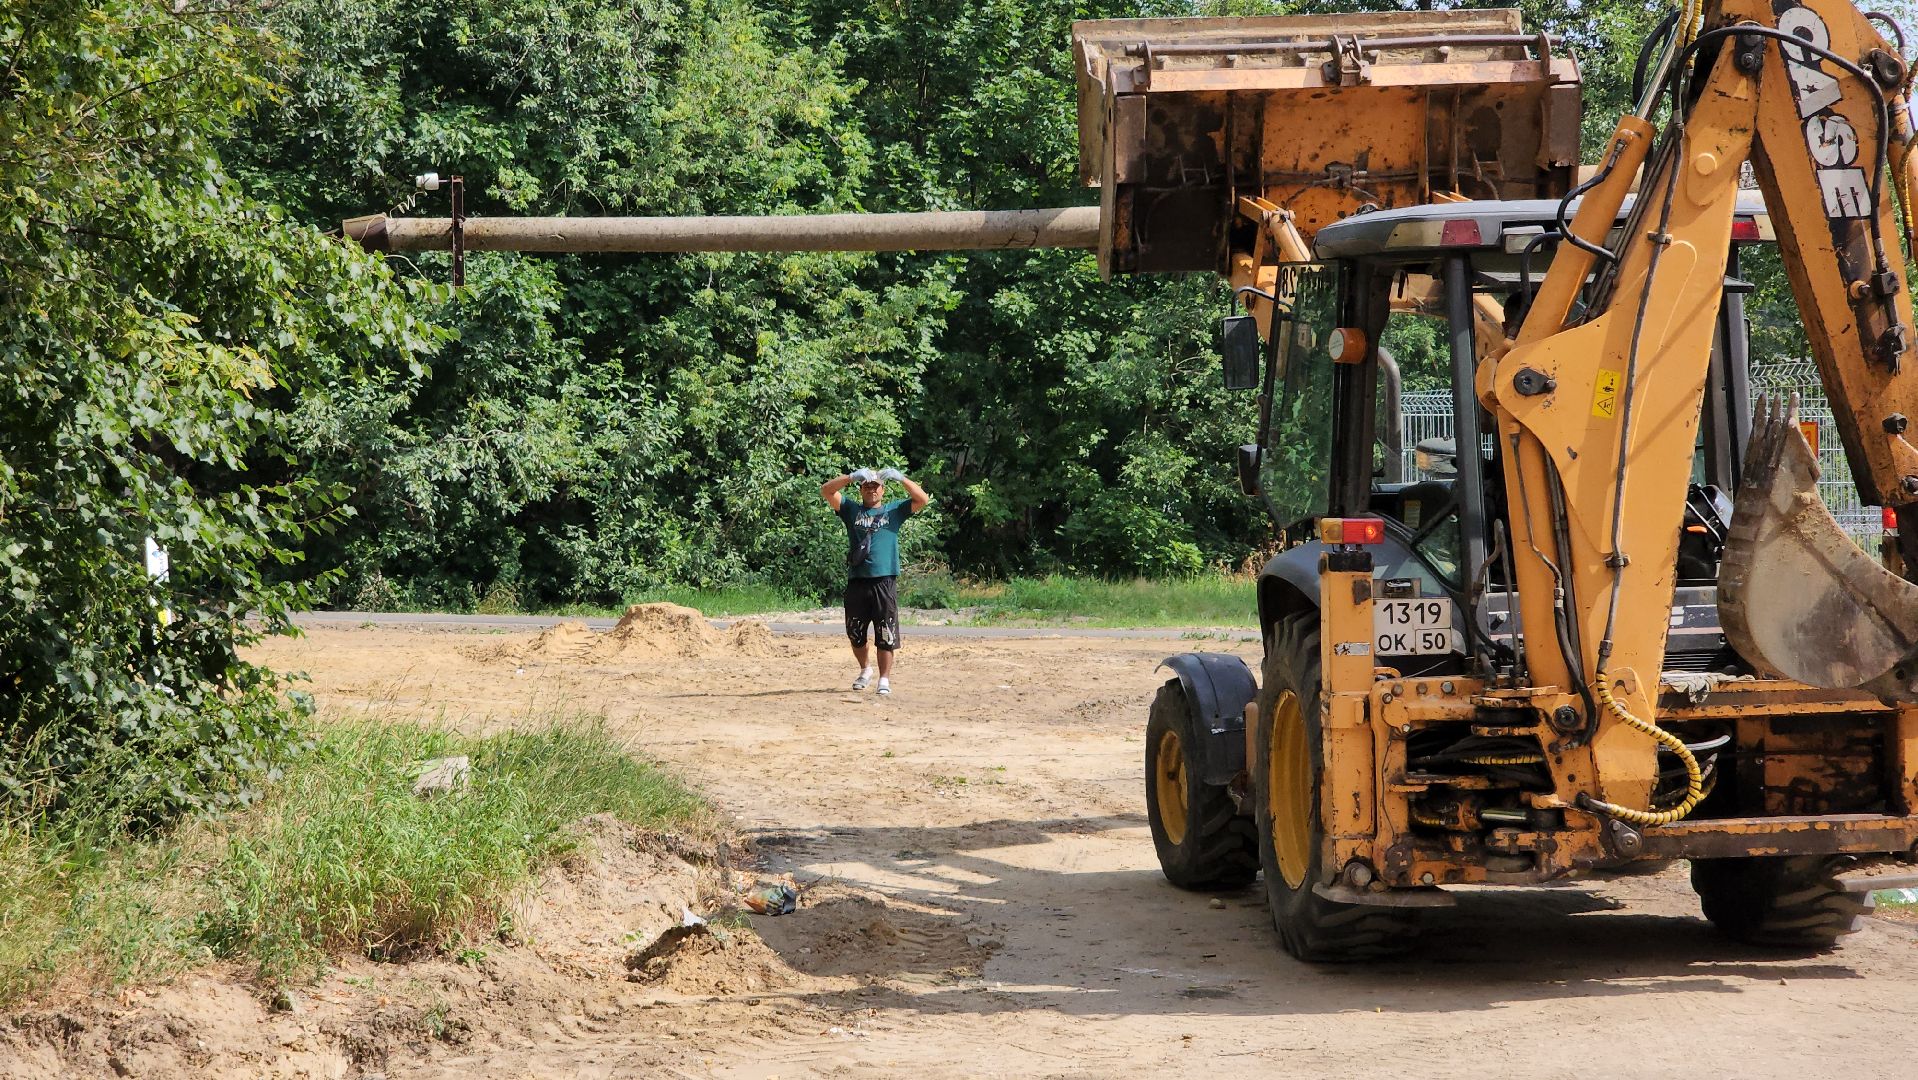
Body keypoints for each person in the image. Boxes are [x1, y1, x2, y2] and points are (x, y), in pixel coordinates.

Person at [821, 467, 931, 695]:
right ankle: (865, 669)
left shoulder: (894, 511)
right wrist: (851, 477)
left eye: (876, 486)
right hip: (858, 581)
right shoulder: (851, 510)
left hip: (884, 580)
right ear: (861, 489)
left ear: (883, 490)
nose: (871, 490)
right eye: (867, 486)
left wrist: (901, 478)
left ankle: (884, 680)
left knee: (886, 633)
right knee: (855, 632)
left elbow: (922, 499)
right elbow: (827, 491)